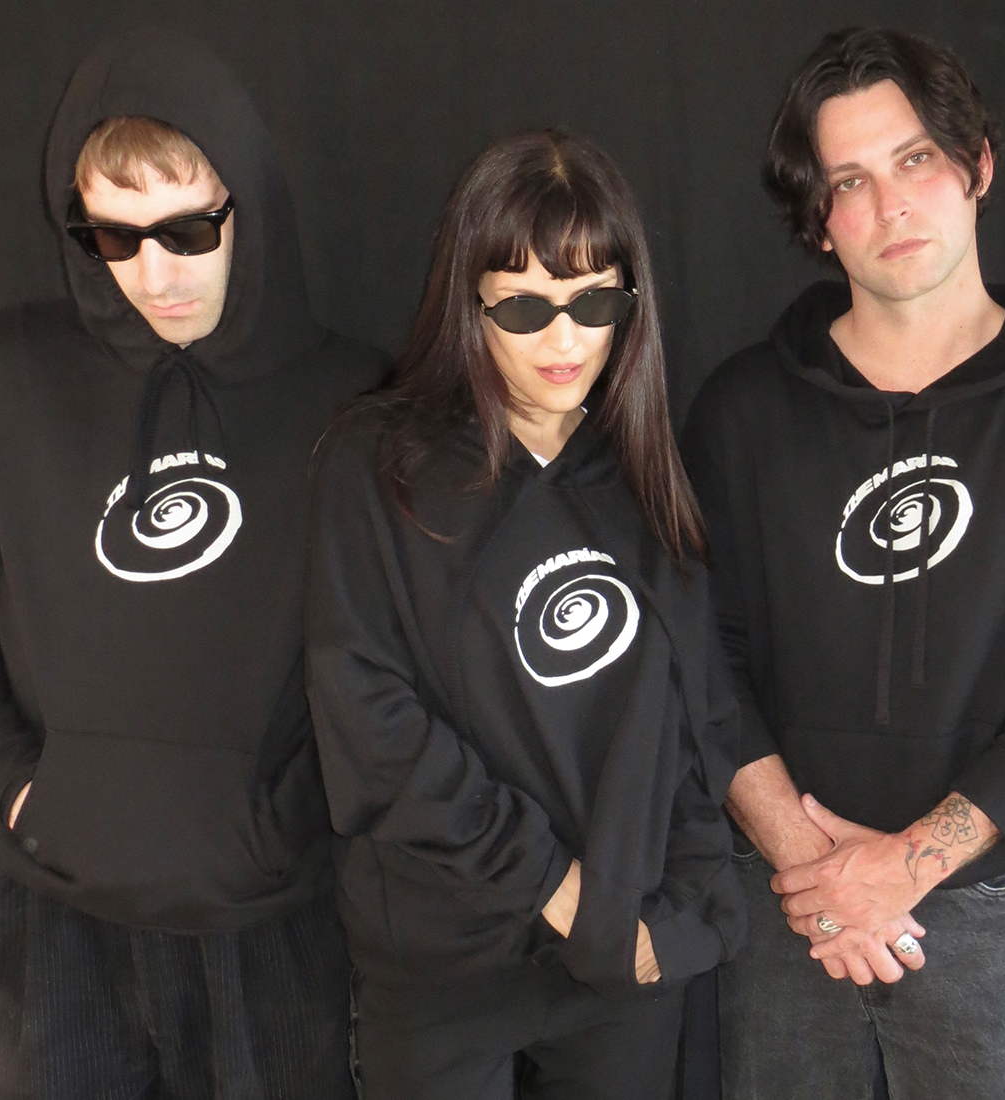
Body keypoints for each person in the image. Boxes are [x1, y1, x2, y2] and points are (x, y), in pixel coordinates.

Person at [0, 29, 384, 1099]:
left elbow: (389, 656)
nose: (155, 275)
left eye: (189, 229)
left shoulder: (353, 401)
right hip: (54, 907)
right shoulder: (11, 375)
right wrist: (15, 784)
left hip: (269, 922)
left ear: (249, 203)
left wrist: (288, 817)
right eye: (114, 236)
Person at [305, 129, 745, 1100]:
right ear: (468, 303)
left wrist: (676, 921)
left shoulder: (645, 478)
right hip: (441, 971)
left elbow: (688, 724)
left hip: (614, 968)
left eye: (594, 302)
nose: (564, 341)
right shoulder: (378, 463)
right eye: (524, 307)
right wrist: (557, 887)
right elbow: (366, 715)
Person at [680, 26, 1005, 1100]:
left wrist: (905, 865)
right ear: (816, 219)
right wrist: (814, 873)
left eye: (915, 160)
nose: (890, 206)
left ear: (977, 164)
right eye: (849, 181)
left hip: (983, 906)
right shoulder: (742, 410)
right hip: (782, 907)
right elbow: (698, 654)